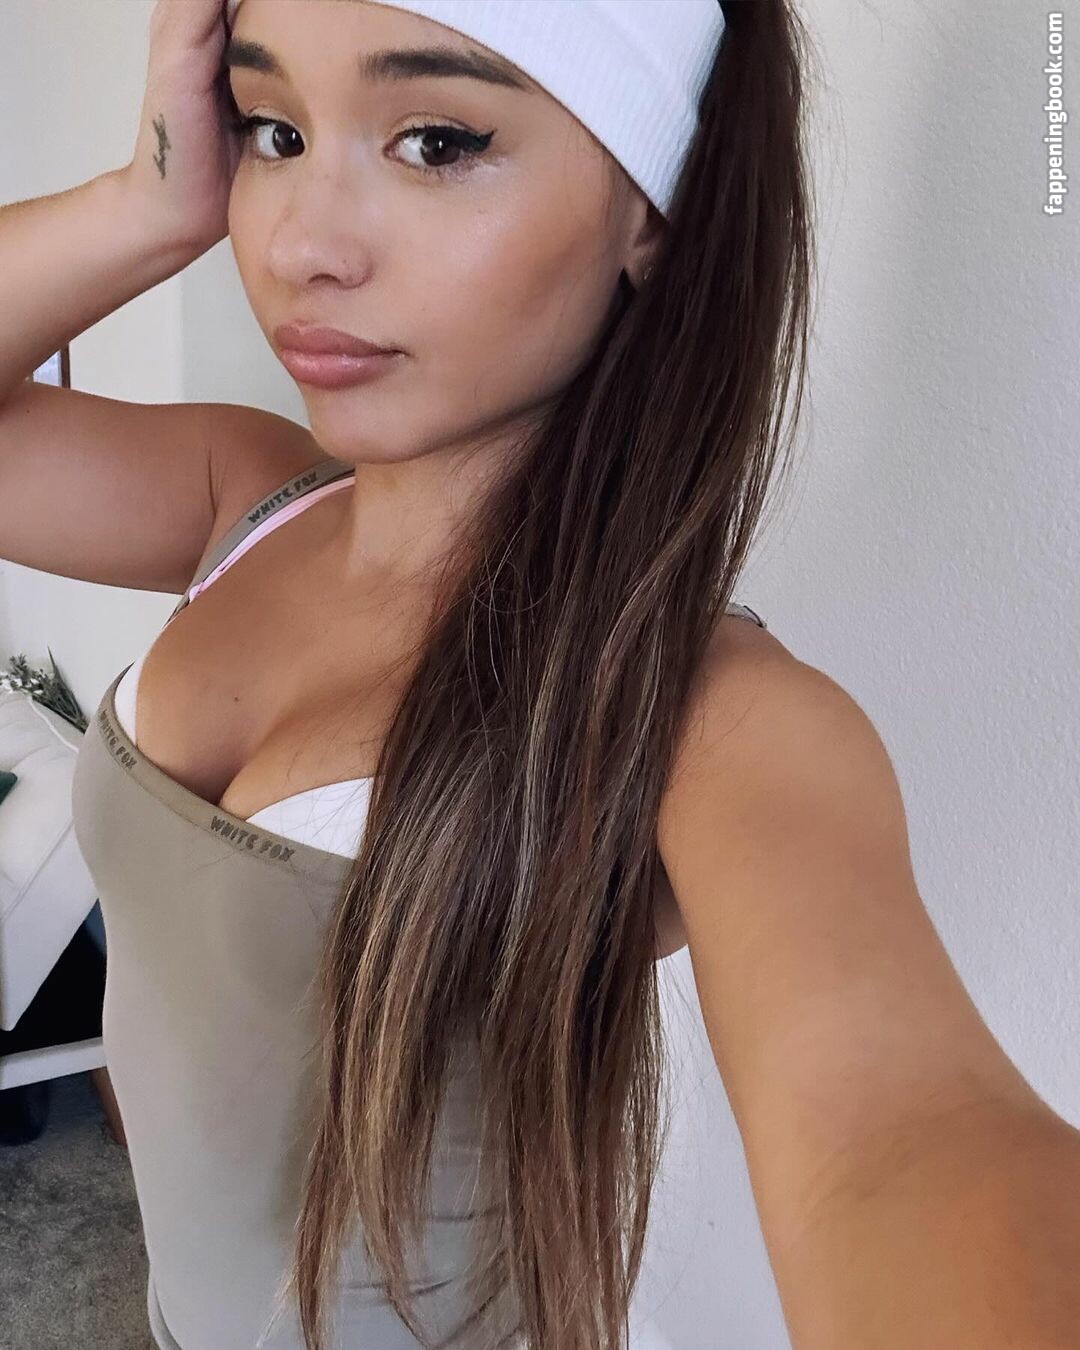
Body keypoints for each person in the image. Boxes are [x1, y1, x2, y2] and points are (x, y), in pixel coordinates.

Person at [7, 2, 1063, 1348]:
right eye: (275, 130)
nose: (297, 246)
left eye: (438, 142)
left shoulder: (708, 717)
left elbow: (900, 1136)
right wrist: (147, 203)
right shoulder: (244, 499)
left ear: (651, 210)